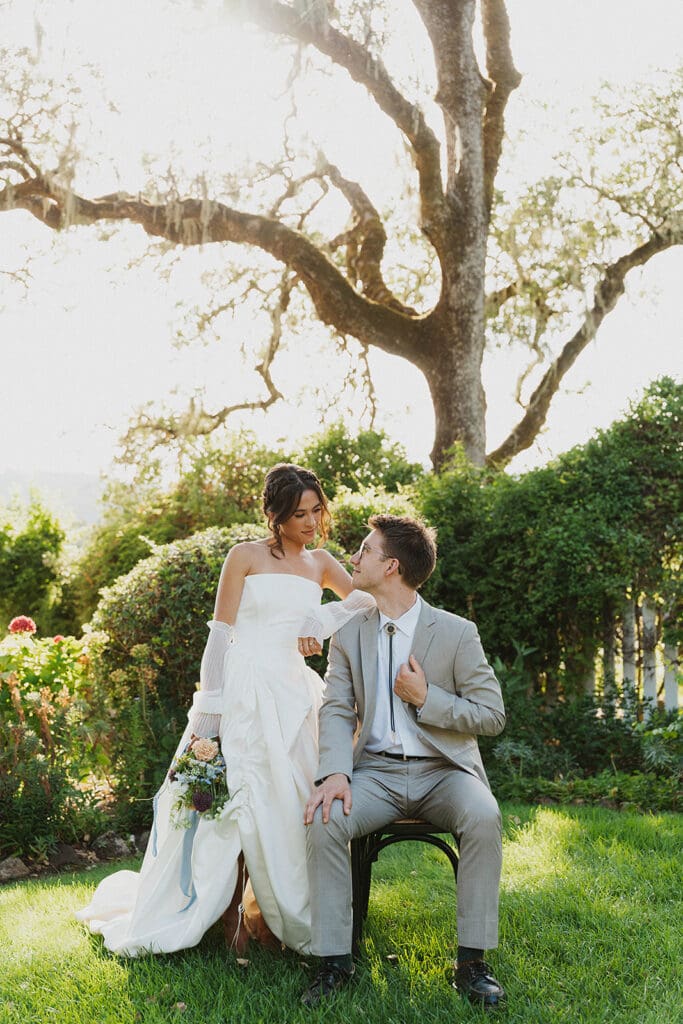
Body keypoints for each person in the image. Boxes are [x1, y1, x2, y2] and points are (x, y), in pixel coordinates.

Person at [76, 464, 373, 956]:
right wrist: (211, 709)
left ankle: (275, 915)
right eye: (299, 514)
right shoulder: (245, 556)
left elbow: (368, 600)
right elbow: (220, 638)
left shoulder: (321, 563)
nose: (310, 522)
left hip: (295, 694)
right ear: (276, 515)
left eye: (316, 510)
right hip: (243, 687)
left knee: (290, 804)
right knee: (233, 802)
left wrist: (320, 618)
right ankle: (230, 916)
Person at [301, 514, 507, 1011]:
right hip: (375, 772)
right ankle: (335, 962)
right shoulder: (350, 633)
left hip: (445, 773)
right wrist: (335, 773)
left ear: (391, 566)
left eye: (365, 550)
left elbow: (492, 715)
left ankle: (472, 964)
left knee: (484, 816)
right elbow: (336, 708)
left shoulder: (456, 632)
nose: (354, 558)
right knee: (324, 819)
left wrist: (426, 698)